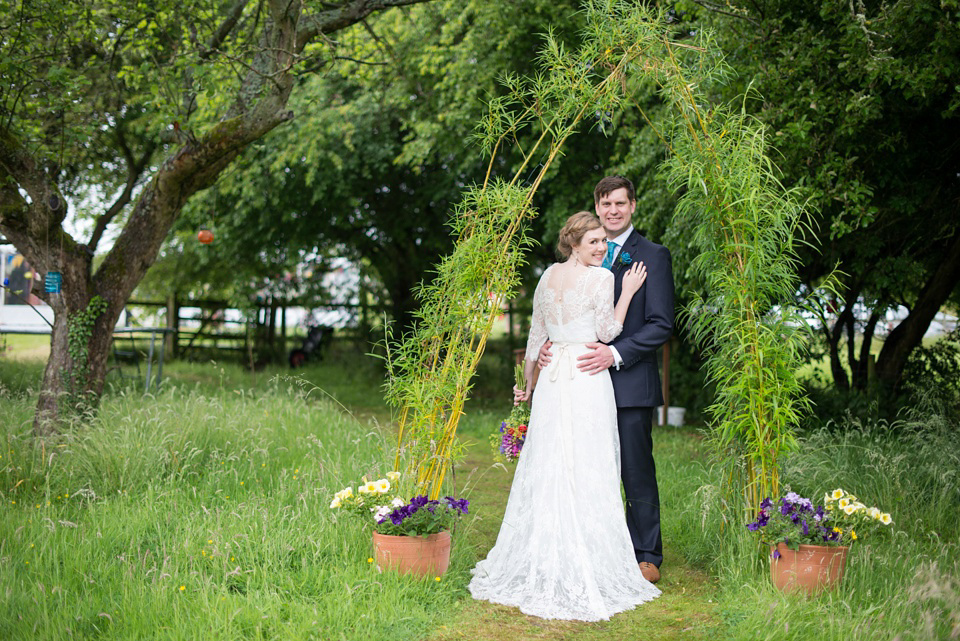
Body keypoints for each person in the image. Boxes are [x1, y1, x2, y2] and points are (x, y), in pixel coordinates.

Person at [468, 211, 661, 622]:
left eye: (604, 243)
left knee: (554, 460)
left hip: (555, 380)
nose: (603, 248)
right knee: (587, 462)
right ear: (574, 244)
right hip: (587, 376)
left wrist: (528, 386)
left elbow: (537, 338)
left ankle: (552, 549)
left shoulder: (547, 276)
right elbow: (608, 332)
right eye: (594, 242)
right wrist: (627, 292)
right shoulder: (604, 278)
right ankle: (587, 557)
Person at [540, 175, 675, 584]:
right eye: (604, 204)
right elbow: (562, 309)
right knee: (584, 470)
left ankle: (646, 553)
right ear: (596, 208)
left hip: (629, 382)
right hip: (580, 385)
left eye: (619, 203)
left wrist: (614, 353)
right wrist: (549, 344)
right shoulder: (582, 256)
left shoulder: (653, 254)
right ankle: (592, 548)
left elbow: (661, 324)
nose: (612, 210)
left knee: (635, 470)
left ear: (633, 205)